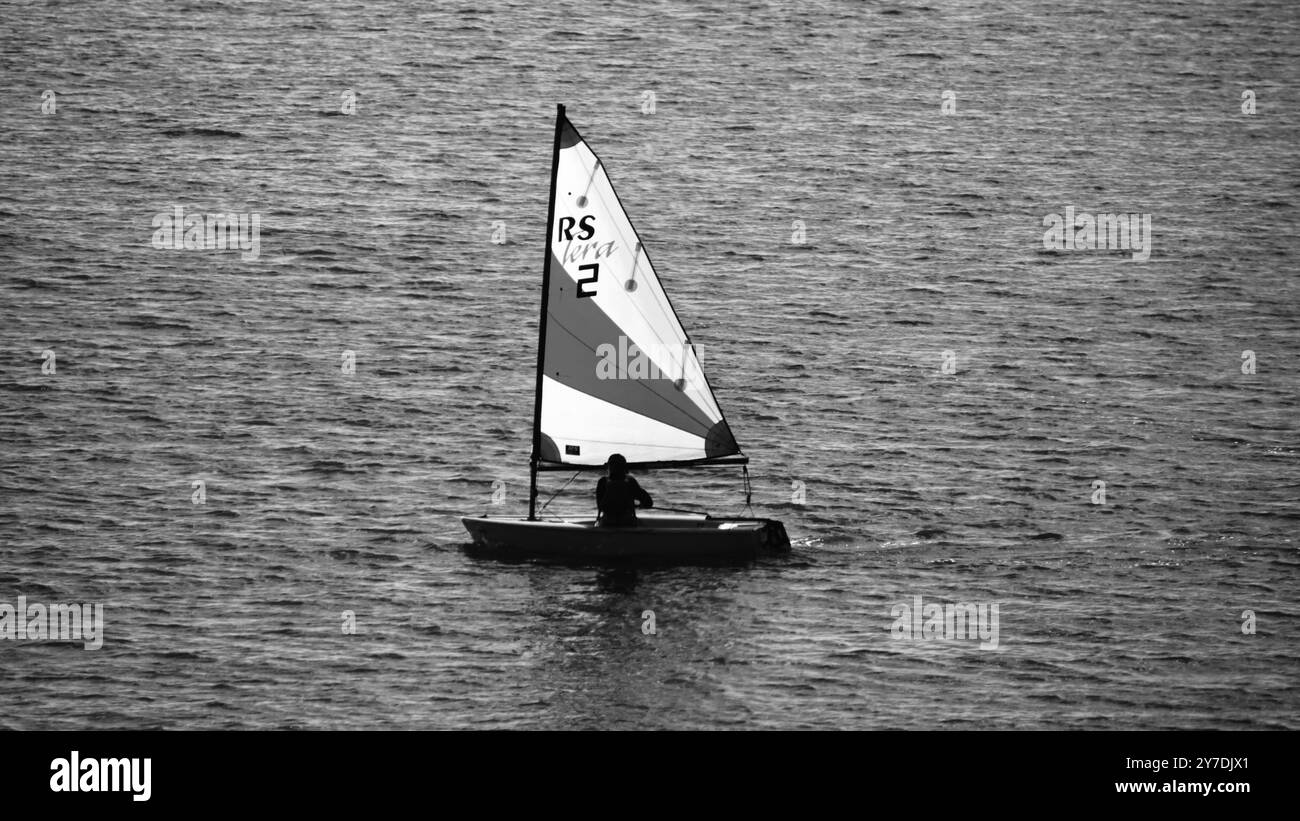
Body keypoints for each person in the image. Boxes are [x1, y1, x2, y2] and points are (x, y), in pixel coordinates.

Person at [596, 453, 653, 527]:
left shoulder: (602, 482)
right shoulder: (630, 481)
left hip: (607, 523)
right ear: (624, 467)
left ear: (609, 466)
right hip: (627, 523)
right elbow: (648, 503)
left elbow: (600, 506)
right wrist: (639, 505)